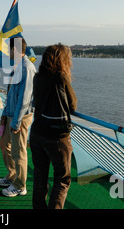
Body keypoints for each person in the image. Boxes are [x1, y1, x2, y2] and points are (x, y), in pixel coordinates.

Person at [30, 43, 77, 209]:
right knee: (62, 179)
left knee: (40, 175)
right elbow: (73, 105)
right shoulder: (60, 78)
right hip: (57, 137)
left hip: (37, 133)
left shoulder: (37, 77)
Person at [0, 37, 36, 197]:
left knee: (18, 151)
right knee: (4, 143)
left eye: (9, 48)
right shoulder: (17, 67)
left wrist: (17, 121)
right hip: (11, 114)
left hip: (20, 117)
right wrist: (5, 114)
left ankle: (20, 185)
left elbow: (25, 98)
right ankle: (12, 175)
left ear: (16, 49)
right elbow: (11, 93)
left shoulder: (27, 68)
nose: (8, 51)